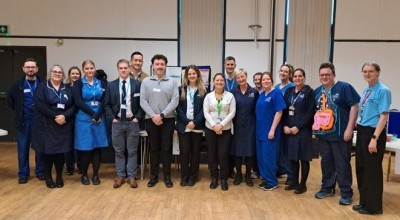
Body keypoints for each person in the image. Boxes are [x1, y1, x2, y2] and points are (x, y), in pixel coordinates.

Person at [313, 62, 360, 206]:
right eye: (322, 75)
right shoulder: (317, 91)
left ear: (334, 75)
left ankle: (346, 192)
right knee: (326, 162)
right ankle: (327, 187)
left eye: (327, 74)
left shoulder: (344, 87)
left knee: (342, 164)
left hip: (340, 134)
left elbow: (354, 106)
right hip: (323, 135)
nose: (324, 77)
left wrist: (349, 128)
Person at [353, 62, 391, 215]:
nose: (367, 74)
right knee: (361, 169)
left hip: (373, 133)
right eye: (365, 71)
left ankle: (374, 207)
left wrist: (374, 138)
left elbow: (383, 116)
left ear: (378, 72)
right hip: (362, 130)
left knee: (372, 171)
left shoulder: (383, 91)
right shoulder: (367, 89)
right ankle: (364, 202)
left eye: (371, 71)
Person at [32, 65, 75, 188]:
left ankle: (59, 176)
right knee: (48, 153)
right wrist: (56, 116)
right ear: (50, 73)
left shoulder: (67, 88)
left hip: (63, 125)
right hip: (46, 125)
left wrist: (65, 116)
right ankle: (48, 177)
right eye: (54, 71)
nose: (57, 74)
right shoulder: (42, 87)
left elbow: (73, 105)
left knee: (60, 153)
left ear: (63, 75)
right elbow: (40, 105)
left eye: (60, 72)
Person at [140, 54, 179, 188]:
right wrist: (153, 116)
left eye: (162, 64)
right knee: (154, 149)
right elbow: (143, 101)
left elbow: (175, 101)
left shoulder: (172, 82)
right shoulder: (146, 82)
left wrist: (161, 115)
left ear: (166, 66)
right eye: (157, 64)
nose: (160, 67)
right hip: (151, 120)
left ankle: (167, 176)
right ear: (152, 66)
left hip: (167, 120)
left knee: (166, 149)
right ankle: (154, 176)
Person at [104, 59, 144, 189]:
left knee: (132, 151)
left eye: (126, 68)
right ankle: (120, 176)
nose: (123, 70)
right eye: (121, 68)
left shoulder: (137, 84)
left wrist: (137, 117)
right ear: (117, 69)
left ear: (130, 69)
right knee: (119, 151)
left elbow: (142, 103)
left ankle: (131, 176)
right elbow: (106, 104)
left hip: (132, 122)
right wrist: (112, 118)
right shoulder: (111, 85)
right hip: (117, 122)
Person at [7, 58, 45, 184]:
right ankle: (23, 174)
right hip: (24, 122)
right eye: (28, 67)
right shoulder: (17, 85)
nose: (30, 69)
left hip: (39, 122)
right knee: (23, 149)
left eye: (33, 67)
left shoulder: (43, 84)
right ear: (23, 69)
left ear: (37, 69)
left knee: (39, 148)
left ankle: (40, 171)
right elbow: (10, 102)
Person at [72, 60, 108, 185]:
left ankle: (96, 175)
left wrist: (97, 114)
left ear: (95, 69)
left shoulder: (101, 83)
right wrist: (93, 114)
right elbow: (78, 101)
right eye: (86, 68)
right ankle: (85, 175)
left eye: (91, 68)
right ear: (83, 70)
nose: (89, 70)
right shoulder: (78, 83)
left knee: (97, 148)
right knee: (85, 148)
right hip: (83, 119)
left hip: (98, 118)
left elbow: (105, 100)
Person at [282, 68, 314, 194]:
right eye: (295, 76)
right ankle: (294, 181)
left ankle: (302, 184)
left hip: (302, 130)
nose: (297, 78)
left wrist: (298, 127)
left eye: (300, 76)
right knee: (293, 158)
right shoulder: (289, 91)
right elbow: (284, 110)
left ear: (304, 77)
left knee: (303, 158)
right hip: (289, 130)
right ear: (292, 77)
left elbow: (310, 112)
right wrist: (284, 125)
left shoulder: (309, 91)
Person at [204, 73, 236, 191]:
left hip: (225, 129)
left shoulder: (230, 96)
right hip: (210, 129)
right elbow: (206, 112)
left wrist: (221, 125)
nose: (219, 82)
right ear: (213, 82)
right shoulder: (208, 96)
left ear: (224, 82)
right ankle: (214, 178)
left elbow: (232, 112)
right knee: (212, 155)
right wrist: (214, 125)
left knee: (223, 155)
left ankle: (223, 179)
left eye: (221, 80)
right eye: (217, 80)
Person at [175, 65, 206, 187]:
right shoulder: (180, 89)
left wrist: (195, 122)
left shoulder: (203, 90)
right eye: (189, 74)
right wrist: (187, 121)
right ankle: (184, 176)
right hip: (184, 126)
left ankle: (193, 177)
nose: (192, 76)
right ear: (186, 76)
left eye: (194, 73)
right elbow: (178, 108)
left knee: (195, 152)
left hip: (197, 127)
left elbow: (204, 109)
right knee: (184, 152)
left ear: (197, 75)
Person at [256, 72, 286, 191]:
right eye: (263, 80)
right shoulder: (262, 94)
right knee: (262, 157)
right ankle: (266, 179)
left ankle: (272, 181)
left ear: (271, 80)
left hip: (270, 131)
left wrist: (272, 129)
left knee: (269, 156)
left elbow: (279, 112)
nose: (265, 81)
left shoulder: (276, 93)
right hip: (260, 130)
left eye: (268, 79)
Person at [230, 69, 259, 187]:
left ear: (246, 77)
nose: (241, 79)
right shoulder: (233, 92)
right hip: (237, 126)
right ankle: (238, 175)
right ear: (236, 79)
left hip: (250, 126)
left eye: (242, 77)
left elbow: (258, 109)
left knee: (249, 152)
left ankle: (247, 175)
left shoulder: (254, 92)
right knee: (237, 152)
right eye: (238, 78)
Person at [275, 64, 295, 185]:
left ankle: (291, 175)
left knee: (288, 150)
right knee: (280, 149)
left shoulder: (292, 87)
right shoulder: (277, 87)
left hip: (288, 122)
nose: (283, 73)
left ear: (290, 74)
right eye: (281, 71)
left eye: (286, 72)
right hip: (278, 122)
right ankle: (281, 170)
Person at [64, 66, 82, 175]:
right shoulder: (65, 87)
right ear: (69, 75)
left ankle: (80, 166)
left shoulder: (83, 87)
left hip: (80, 118)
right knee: (68, 144)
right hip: (67, 119)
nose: (75, 75)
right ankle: (70, 167)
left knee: (79, 144)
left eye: (77, 74)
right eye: (73, 73)